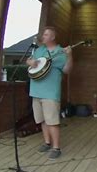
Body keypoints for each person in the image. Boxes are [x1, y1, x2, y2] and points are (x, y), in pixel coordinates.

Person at [27, 26, 73, 160]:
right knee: (42, 120)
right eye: (43, 35)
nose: (43, 37)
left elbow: (67, 70)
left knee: (52, 121)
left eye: (46, 35)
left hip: (50, 93)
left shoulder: (61, 51)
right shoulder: (40, 50)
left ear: (53, 37)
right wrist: (31, 62)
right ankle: (47, 143)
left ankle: (56, 147)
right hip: (36, 91)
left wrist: (70, 55)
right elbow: (28, 61)